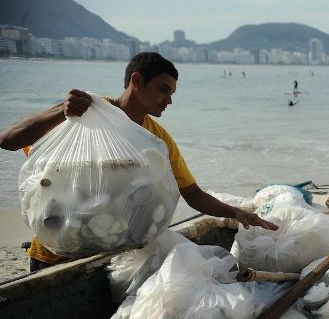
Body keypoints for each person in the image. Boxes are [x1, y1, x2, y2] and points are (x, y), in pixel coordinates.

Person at [0, 52, 278, 272]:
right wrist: (61, 111)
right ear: (137, 80)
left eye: (171, 94)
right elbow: (8, 140)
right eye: (163, 90)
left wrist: (237, 212)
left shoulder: (158, 140)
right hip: (54, 252)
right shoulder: (84, 113)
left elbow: (191, 193)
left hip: (112, 257)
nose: (168, 100)